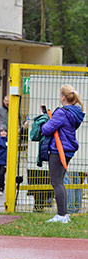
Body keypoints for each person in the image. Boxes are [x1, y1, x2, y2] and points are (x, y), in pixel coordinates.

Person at [42, 85, 84, 223]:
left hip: (58, 150)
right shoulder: (74, 112)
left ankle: (62, 215)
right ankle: (63, 214)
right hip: (68, 150)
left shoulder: (62, 112)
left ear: (63, 97)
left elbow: (47, 129)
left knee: (57, 182)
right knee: (59, 181)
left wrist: (45, 122)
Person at [0, 126, 7, 195]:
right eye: (2, 131)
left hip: (5, 161)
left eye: (5, 131)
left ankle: (1, 187)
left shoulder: (8, 140)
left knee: (1, 174)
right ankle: (1, 183)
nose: (3, 133)